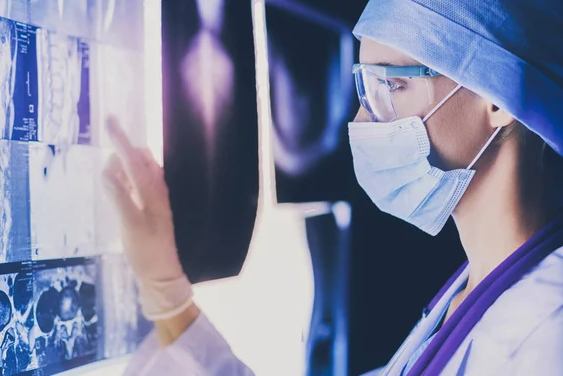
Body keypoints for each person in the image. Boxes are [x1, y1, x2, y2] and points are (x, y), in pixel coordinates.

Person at [102, 0, 563, 374]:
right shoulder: (474, 291)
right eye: (364, 91)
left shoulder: (547, 335)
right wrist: (165, 288)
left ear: (497, 99)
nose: (362, 122)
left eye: (393, 86)